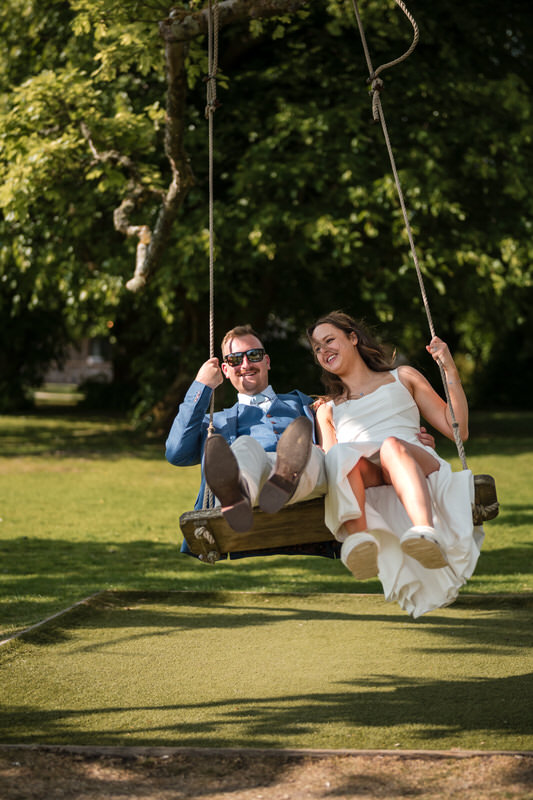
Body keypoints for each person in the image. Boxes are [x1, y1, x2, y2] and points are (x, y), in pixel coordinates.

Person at [307, 311, 483, 618]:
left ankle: (425, 532)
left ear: (353, 338)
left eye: (329, 340)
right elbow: (332, 469)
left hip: (411, 454)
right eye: (316, 348)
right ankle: (360, 542)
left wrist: (449, 368)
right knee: (337, 456)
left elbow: (458, 428)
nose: (323, 351)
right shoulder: (328, 408)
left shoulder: (402, 378)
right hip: (368, 471)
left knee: (390, 445)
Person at [165, 324, 333, 558]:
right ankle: (238, 497)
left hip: (309, 484)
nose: (245, 365)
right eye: (235, 359)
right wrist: (201, 386)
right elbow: (176, 453)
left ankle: (283, 477)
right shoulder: (217, 422)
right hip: (253, 483)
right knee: (244, 448)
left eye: (253, 355)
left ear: (267, 361)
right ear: (225, 369)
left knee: (311, 452)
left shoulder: (302, 403)